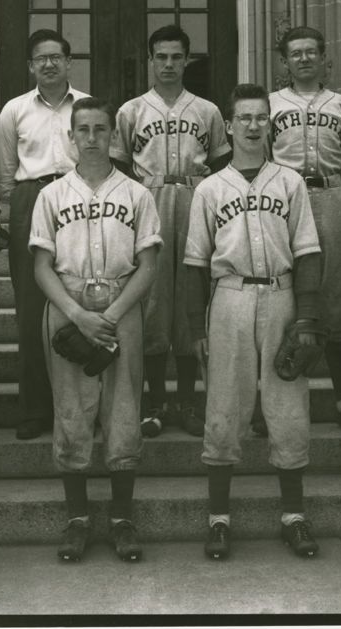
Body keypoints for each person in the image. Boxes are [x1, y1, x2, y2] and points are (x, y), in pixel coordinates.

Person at [184, 83, 323, 561]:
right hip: (230, 296)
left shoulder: (289, 182)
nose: (252, 125)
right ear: (229, 126)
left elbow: (308, 253)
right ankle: (219, 520)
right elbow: (194, 265)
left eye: (261, 117)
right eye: (243, 118)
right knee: (224, 406)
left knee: (288, 405)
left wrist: (306, 317)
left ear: (271, 123)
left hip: (281, 294)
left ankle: (294, 516)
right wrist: (195, 329)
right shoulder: (209, 188)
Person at [30, 97, 161, 562]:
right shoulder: (52, 195)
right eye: (82, 129)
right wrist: (78, 313)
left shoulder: (136, 193)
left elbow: (147, 265)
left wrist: (112, 314)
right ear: (70, 136)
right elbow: (42, 266)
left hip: (121, 304)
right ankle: (78, 520)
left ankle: (123, 519)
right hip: (68, 303)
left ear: (113, 135)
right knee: (71, 412)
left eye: (100, 129)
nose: (91, 137)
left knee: (124, 411)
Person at [112, 24, 230, 438]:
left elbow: (220, 166)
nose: (168, 64)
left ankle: (186, 399)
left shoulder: (206, 110)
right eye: (160, 57)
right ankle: (155, 400)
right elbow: (121, 168)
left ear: (186, 59)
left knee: (189, 300)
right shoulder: (132, 111)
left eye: (176, 57)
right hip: (151, 199)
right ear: (150, 60)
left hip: (195, 197)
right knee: (155, 302)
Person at [268, 26, 341, 436]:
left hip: (331, 198)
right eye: (296, 53)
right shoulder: (272, 105)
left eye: (312, 52)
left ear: (324, 57)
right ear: (285, 61)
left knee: (334, 303)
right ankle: (276, 404)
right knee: (284, 299)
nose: (305, 59)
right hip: (286, 199)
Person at [0, 29, 89, 440]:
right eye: (41, 58)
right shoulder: (14, 110)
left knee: (82, 296)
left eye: (57, 57)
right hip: (30, 198)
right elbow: (4, 169)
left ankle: (85, 407)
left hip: (79, 196)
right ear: (31, 66)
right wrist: (8, 210)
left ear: (70, 62)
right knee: (32, 310)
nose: (49, 64)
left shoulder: (87, 106)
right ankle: (35, 409)